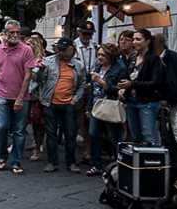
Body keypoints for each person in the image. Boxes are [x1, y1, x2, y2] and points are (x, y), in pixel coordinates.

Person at [0, 20, 37, 174]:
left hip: (21, 95)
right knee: (2, 127)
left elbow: (28, 75)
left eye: (18, 32)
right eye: (12, 32)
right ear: (5, 33)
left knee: (19, 130)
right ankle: (2, 157)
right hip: (2, 93)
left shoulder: (27, 50)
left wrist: (20, 97)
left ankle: (16, 161)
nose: (15, 35)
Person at [38, 38, 86, 173]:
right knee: (51, 133)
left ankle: (71, 162)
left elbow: (82, 84)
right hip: (50, 102)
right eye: (59, 49)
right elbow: (38, 80)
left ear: (72, 49)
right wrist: (40, 70)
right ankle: (52, 162)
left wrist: (75, 98)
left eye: (64, 50)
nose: (61, 52)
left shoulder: (78, 65)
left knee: (70, 134)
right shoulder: (48, 62)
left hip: (69, 104)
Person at [118, 29, 167, 147]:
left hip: (147, 102)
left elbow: (156, 82)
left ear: (147, 41)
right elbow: (129, 76)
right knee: (136, 136)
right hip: (132, 101)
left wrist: (132, 84)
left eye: (138, 39)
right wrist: (123, 89)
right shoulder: (133, 58)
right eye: (133, 39)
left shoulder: (153, 59)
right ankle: (139, 158)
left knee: (148, 136)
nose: (134, 42)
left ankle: (153, 157)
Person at [86, 43, 123, 175]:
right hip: (96, 106)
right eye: (99, 55)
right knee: (93, 134)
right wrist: (88, 107)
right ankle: (96, 164)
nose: (100, 57)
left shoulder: (119, 69)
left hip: (110, 106)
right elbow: (92, 89)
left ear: (111, 56)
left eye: (103, 55)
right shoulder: (98, 67)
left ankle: (118, 164)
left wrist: (102, 83)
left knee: (114, 137)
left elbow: (119, 89)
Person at [149, 34, 177, 131]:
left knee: (167, 126)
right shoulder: (149, 57)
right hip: (152, 98)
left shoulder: (175, 58)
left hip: (169, 99)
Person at [72, 20, 99, 164]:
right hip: (76, 85)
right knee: (78, 119)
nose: (87, 36)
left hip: (91, 85)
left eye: (89, 34)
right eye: (84, 33)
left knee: (88, 119)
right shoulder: (73, 46)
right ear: (79, 32)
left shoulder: (96, 47)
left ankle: (87, 150)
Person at [25, 35, 48, 162]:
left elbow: (40, 79)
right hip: (24, 93)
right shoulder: (23, 59)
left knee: (37, 123)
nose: (28, 47)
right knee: (23, 122)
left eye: (30, 44)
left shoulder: (41, 61)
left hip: (37, 95)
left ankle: (37, 148)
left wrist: (37, 70)